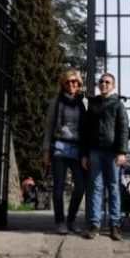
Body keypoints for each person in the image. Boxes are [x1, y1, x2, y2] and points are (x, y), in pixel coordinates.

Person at [80, 72, 128, 241]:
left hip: (113, 153)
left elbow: (123, 130)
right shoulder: (92, 105)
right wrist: (84, 154)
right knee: (95, 188)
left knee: (114, 188)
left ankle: (114, 225)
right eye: (101, 81)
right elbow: (85, 131)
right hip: (94, 152)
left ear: (113, 86)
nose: (104, 84)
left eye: (107, 82)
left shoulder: (118, 106)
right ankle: (94, 224)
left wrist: (122, 152)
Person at [42, 69, 87, 235]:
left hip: (77, 149)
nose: (71, 84)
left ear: (79, 83)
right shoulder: (56, 101)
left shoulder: (84, 103)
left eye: (74, 81)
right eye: (68, 82)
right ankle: (60, 222)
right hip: (59, 147)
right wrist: (46, 150)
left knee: (80, 186)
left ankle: (72, 219)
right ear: (63, 83)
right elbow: (49, 127)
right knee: (59, 187)